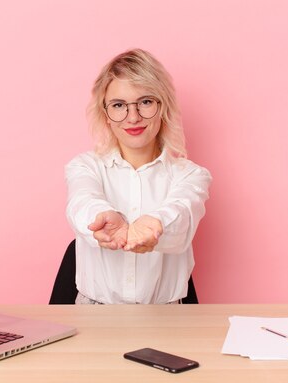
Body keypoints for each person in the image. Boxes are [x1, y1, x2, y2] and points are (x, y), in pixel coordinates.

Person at [65, 49, 212, 305]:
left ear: (162, 106)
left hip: (167, 320)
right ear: (105, 114)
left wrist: (155, 225)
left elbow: (182, 212)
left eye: (145, 102)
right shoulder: (85, 166)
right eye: (119, 105)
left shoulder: (191, 175)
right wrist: (105, 220)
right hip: (94, 319)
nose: (133, 117)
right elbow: (82, 201)